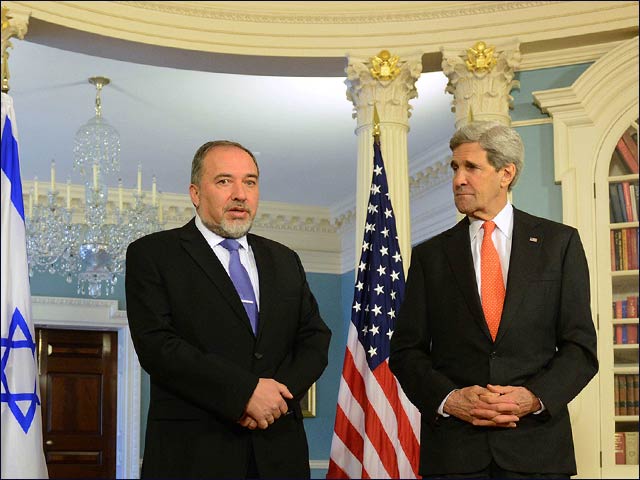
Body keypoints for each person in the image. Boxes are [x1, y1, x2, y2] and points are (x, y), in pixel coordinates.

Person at [389, 121, 598, 478]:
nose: (458, 179)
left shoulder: (559, 244)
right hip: (456, 454)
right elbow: (406, 351)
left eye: (471, 167)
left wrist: (531, 398)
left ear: (506, 173)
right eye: (455, 168)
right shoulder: (430, 256)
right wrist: (451, 400)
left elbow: (580, 348)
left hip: (537, 453)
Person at [126, 140, 331, 478]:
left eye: (250, 182)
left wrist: (272, 398)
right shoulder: (153, 255)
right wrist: (244, 394)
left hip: (279, 454)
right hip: (193, 456)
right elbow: (158, 347)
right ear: (195, 193)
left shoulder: (284, 260)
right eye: (224, 181)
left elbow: (315, 339)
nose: (240, 193)